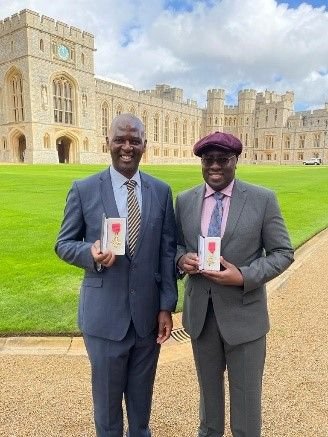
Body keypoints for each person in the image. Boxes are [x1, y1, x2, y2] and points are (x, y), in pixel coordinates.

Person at [55, 114, 178, 437]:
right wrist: (90, 254)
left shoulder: (161, 191)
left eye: (134, 140)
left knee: (141, 412)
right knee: (108, 415)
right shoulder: (83, 189)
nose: (127, 147)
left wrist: (166, 306)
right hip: (104, 318)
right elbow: (64, 243)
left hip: (147, 320)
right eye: (120, 140)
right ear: (107, 142)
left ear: (144, 145)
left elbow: (167, 253)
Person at [175, 131, 294, 437]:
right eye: (208, 159)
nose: (215, 166)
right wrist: (181, 259)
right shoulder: (186, 200)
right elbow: (174, 246)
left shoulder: (262, 199)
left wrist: (244, 275)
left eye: (222, 160)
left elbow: (282, 253)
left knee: (246, 406)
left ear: (235, 161)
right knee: (208, 404)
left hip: (245, 318)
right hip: (201, 316)